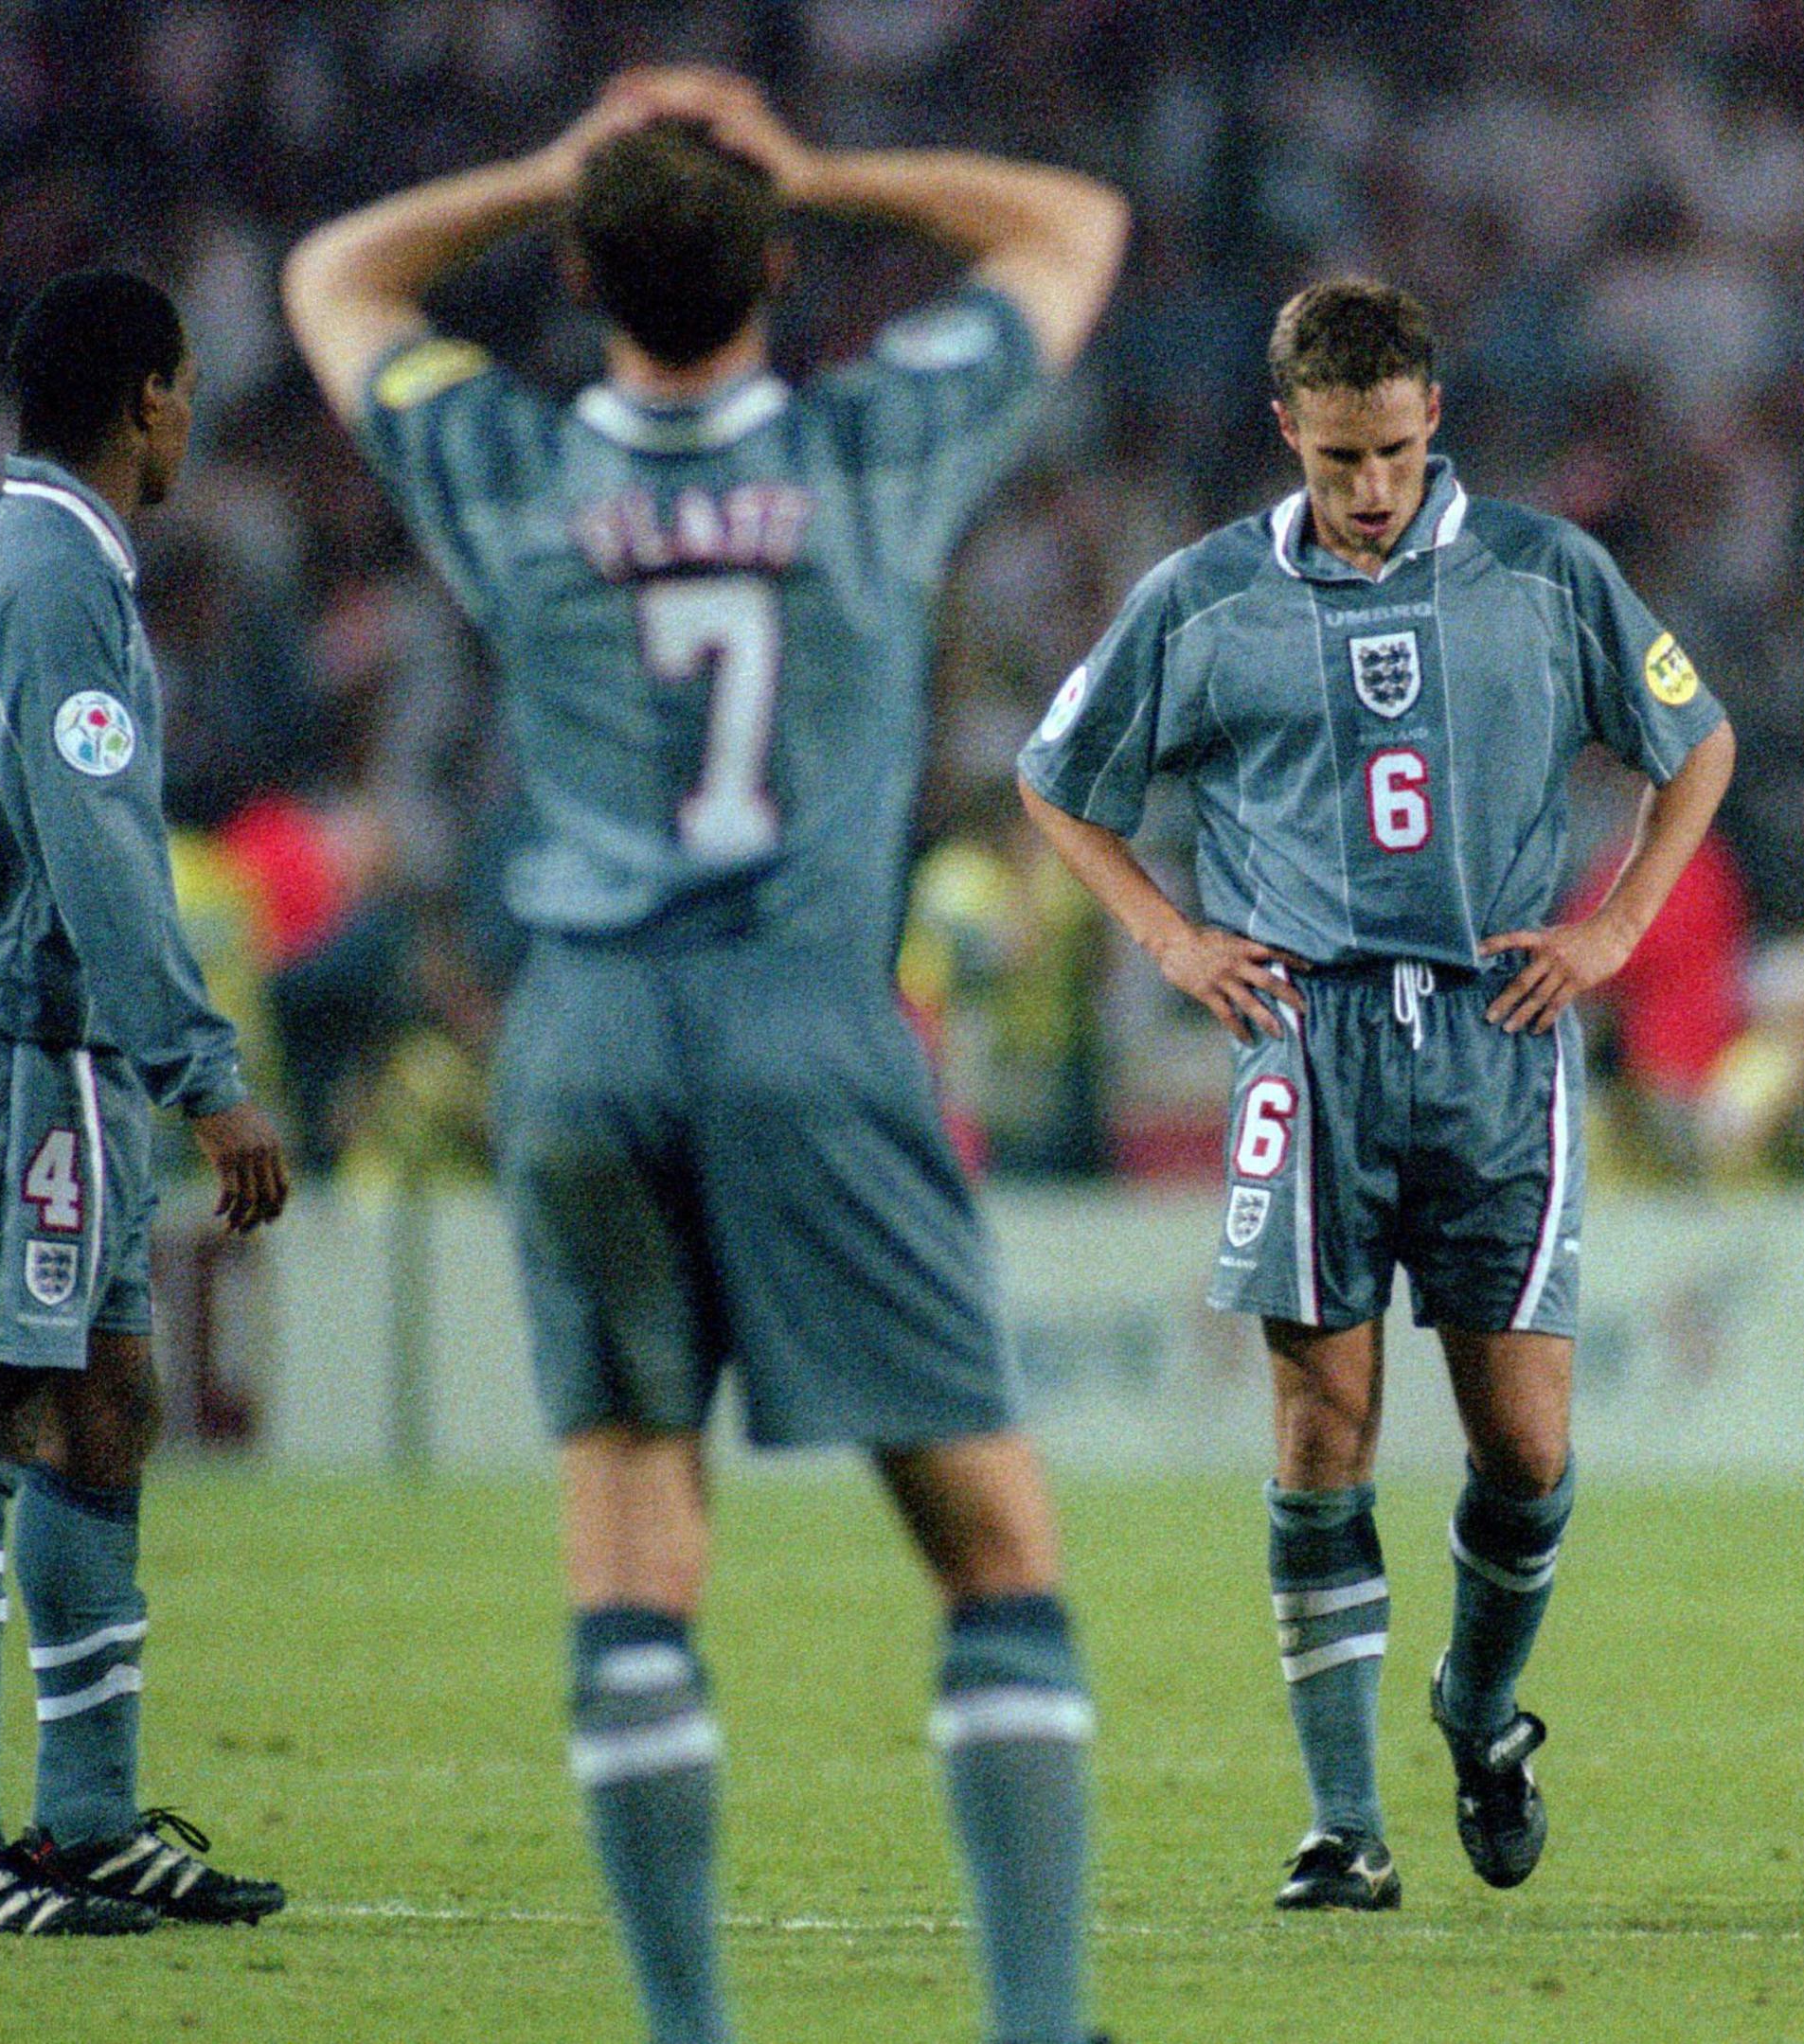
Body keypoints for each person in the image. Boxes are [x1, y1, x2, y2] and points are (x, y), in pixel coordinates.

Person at [282, 69, 1127, 2044]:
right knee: (992, 1540)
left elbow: (332, 273)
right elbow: (1068, 221)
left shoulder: (504, 466)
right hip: (806, 1013)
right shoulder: (873, 445)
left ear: (578, 275)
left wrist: (545, 168)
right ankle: (1037, 2022)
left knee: (634, 1547)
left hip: (577, 1035)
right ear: (774, 264)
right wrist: (822, 168)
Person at [1017, 280, 1736, 1911]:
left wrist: (1618, 919)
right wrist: (1171, 934)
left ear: (1435, 424)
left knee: (1525, 1443)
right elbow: (1057, 779)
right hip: (1308, 1041)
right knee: (1319, 1421)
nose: (1372, 488)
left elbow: (1697, 743)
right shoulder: (1204, 599)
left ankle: (1480, 1713)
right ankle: (1345, 1821)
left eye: (1399, 452)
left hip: (1500, 1029)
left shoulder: (1548, 573)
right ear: (1289, 431)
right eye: (1341, 457)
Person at [0, 268, 295, 1936]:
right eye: (184, 388)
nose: (193, 416)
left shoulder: (19, 548)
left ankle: (88, 1820)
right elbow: (97, 840)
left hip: (52, 1053)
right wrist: (209, 1074)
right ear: (147, 401)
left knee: (109, 1395)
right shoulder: (51, 574)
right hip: (1, 1037)